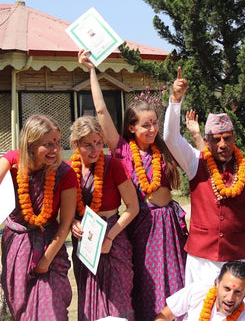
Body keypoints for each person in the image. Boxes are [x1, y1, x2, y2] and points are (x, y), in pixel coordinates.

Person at [78, 49, 188, 320]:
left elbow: (172, 128)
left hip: (168, 223)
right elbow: (102, 111)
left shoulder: (164, 147)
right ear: (131, 128)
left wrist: (176, 98)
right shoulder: (122, 150)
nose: (151, 129)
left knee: (175, 282)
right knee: (146, 284)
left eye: (154, 123)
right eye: (145, 125)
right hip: (141, 226)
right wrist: (92, 71)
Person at [163, 67, 245, 306]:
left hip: (240, 256)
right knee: (203, 310)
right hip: (203, 257)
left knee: (240, 313)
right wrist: (175, 100)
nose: (223, 144)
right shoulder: (195, 162)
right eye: (216, 139)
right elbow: (171, 138)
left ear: (233, 137)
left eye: (227, 138)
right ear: (207, 141)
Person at [0, 115, 77, 320]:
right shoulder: (13, 162)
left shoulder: (65, 173)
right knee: (22, 311)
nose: (55, 149)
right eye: (48, 144)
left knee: (51, 309)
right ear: (31, 145)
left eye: (58, 142)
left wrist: (46, 258)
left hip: (49, 244)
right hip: (16, 244)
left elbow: (65, 223)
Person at [68, 116, 139, 320]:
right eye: (88, 145)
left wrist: (109, 237)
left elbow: (132, 207)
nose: (95, 150)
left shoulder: (113, 166)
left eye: (99, 143)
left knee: (118, 304)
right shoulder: (68, 169)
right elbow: (64, 210)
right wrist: (73, 223)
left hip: (113, 237)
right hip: (85, 242)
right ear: (75, 144)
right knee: (89, 304)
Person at [155, 261, 245, 321]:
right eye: (226, 289)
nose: (230, 298)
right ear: (217, 283)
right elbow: (165, 316)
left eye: (237, 292)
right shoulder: (198, 290)